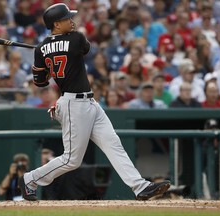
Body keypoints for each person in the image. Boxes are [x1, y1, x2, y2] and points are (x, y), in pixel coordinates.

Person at [19, 3, 170, 201]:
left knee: (113, 144)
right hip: (73, 104)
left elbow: (40, 82)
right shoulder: (76, 38)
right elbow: (84, 49)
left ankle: (140, 187)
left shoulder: (41, 50)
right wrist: (56, 57)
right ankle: (30, 179)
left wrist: (48, 61)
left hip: (89, 102)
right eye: (66, 19)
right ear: (56, 24)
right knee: (71, 160)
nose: (71, 21)